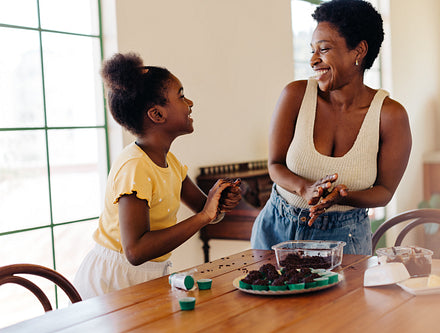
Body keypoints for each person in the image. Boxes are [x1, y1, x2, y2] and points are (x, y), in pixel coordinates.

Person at [74, 52, 241, 299]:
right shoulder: (135, 166)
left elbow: (208, 214)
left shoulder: (170, 163)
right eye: (181, 96)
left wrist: (218, 202)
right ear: (157, 115)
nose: (190, 103)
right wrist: (205, 216)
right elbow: (136, 251)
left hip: (145, 276)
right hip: (113, 283)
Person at [250, 0, 411, 255]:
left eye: (323, 49)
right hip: (276, 230)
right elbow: (275, 165)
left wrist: (341, 197)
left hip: (344, 238)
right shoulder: (295, 95)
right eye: (312, 50)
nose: (313, 60)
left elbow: (385, 191)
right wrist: (305, 188)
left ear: (358, 51)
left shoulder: (390, 115)